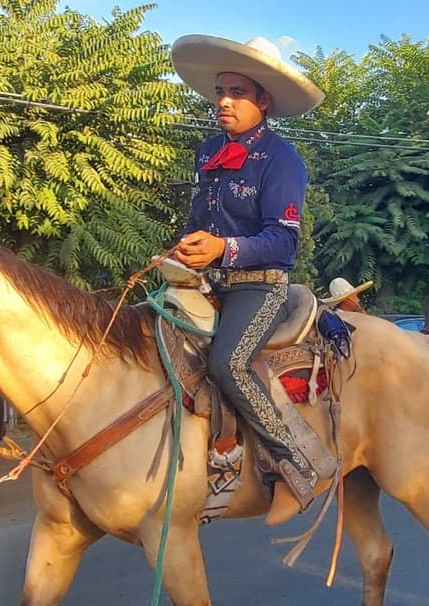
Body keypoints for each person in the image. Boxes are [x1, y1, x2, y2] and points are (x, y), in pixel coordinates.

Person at [170, 34, 325, 526]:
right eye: (220, 91)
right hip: (206, 282)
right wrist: (185, 247)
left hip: (259, 285)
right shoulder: (209, 152)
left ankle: (293, 465)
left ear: (264, 100)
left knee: (228, 363)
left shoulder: (282, 160)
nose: (224, 101)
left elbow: (283, 241)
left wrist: (224, 249)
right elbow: (200, 219)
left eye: (236, 92)